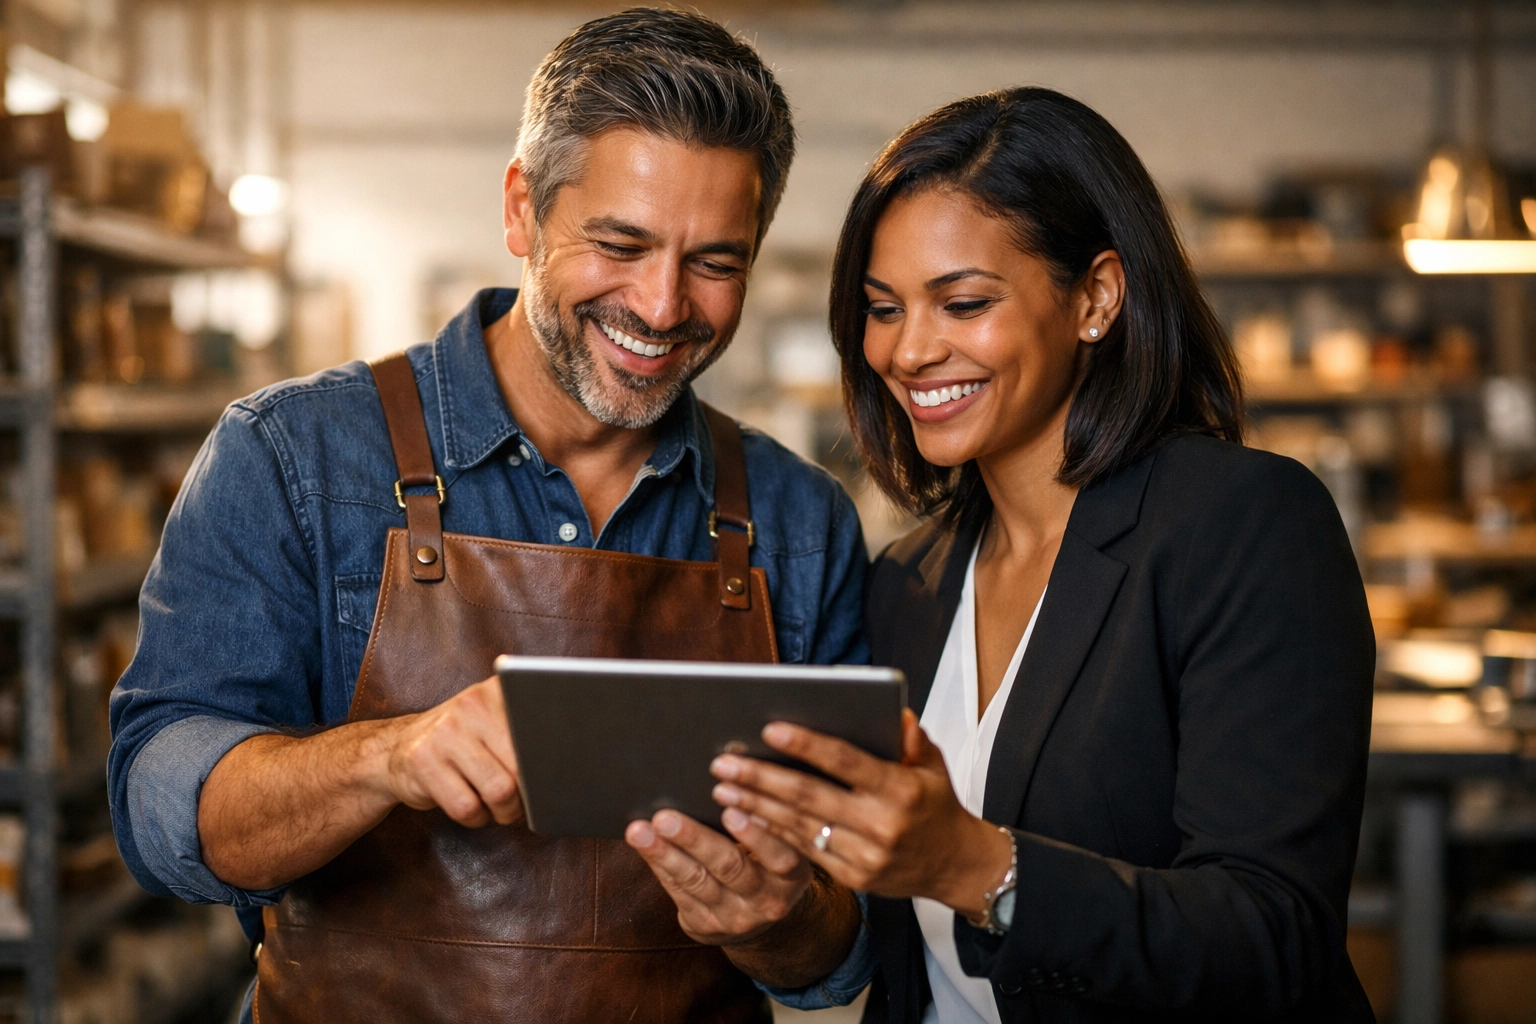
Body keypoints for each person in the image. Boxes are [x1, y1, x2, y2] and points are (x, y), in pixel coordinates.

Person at [106, 10, 870, 1023]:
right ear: (521, 210)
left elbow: (841, 947)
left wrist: (778, 918)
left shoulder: (798, 522)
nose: (661, 303)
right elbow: (162, 817)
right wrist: (385, 756)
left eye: (715, 262)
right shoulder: (294, 456)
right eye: (621, 243)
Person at [646, 88, 1377, 1022]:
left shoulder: (1241, 525)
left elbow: (1275, 937)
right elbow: (890, 954)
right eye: (881, 309)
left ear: (1097, 298)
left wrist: (972, 865)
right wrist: (768, 914)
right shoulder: (906, 582)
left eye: (963, 302)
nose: (910, 351)